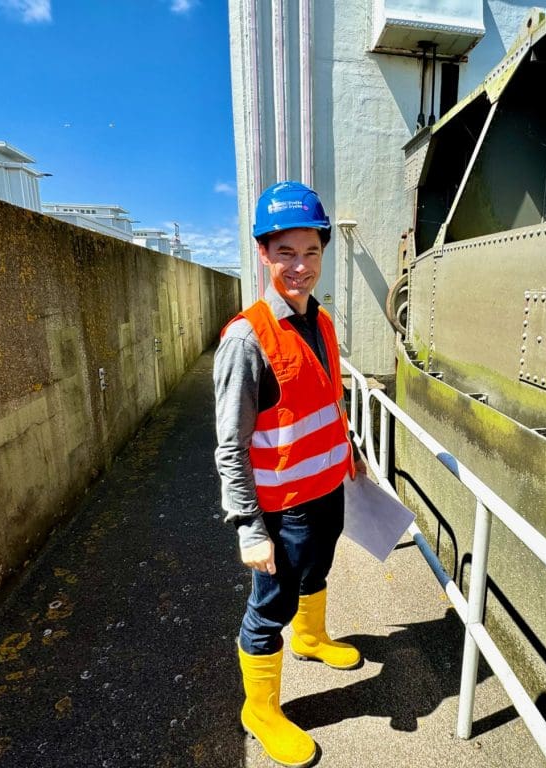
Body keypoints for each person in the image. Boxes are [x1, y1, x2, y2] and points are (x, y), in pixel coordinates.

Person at [213, 180, 366, 768]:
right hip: (281, 508)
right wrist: (248, 527)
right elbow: (230, 445)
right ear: (263, 252)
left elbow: (324, 398)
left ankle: (312, 638)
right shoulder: (247, 339)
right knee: (267, 606)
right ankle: (261, 711)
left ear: (323, 251)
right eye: (285, 253)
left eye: (311, 252)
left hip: (328, 489)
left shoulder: (320, 320)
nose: (300, 267)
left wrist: (346, 453)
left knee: (318, 569)